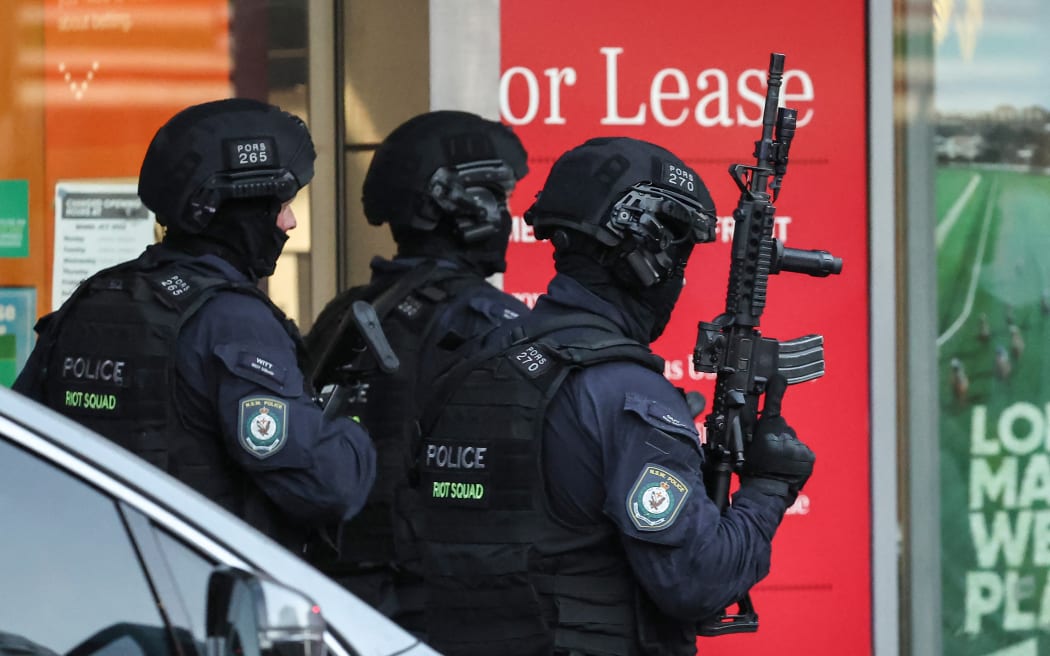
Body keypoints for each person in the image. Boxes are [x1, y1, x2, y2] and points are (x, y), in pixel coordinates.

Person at [416, 137, 816, 656]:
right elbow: (697, 580)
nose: (681, 276)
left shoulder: (473, 360)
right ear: (646, 254)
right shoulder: (625, 394)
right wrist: (770, 486)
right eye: (681, 254)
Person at [13, 98, 376, 551]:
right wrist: (355, 426)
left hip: (85, 588)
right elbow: (325, 487)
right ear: (235, 208)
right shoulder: (233, 322)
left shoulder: (93, 298)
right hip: (196, 596)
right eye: (279, 204)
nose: (289, 221)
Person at [302, 110, 530, 633]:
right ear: (456, 203)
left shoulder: (351, 309)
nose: (504, 216)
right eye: (497, 197)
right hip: (441, 602)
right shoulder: (488, 319)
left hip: (343, 588)